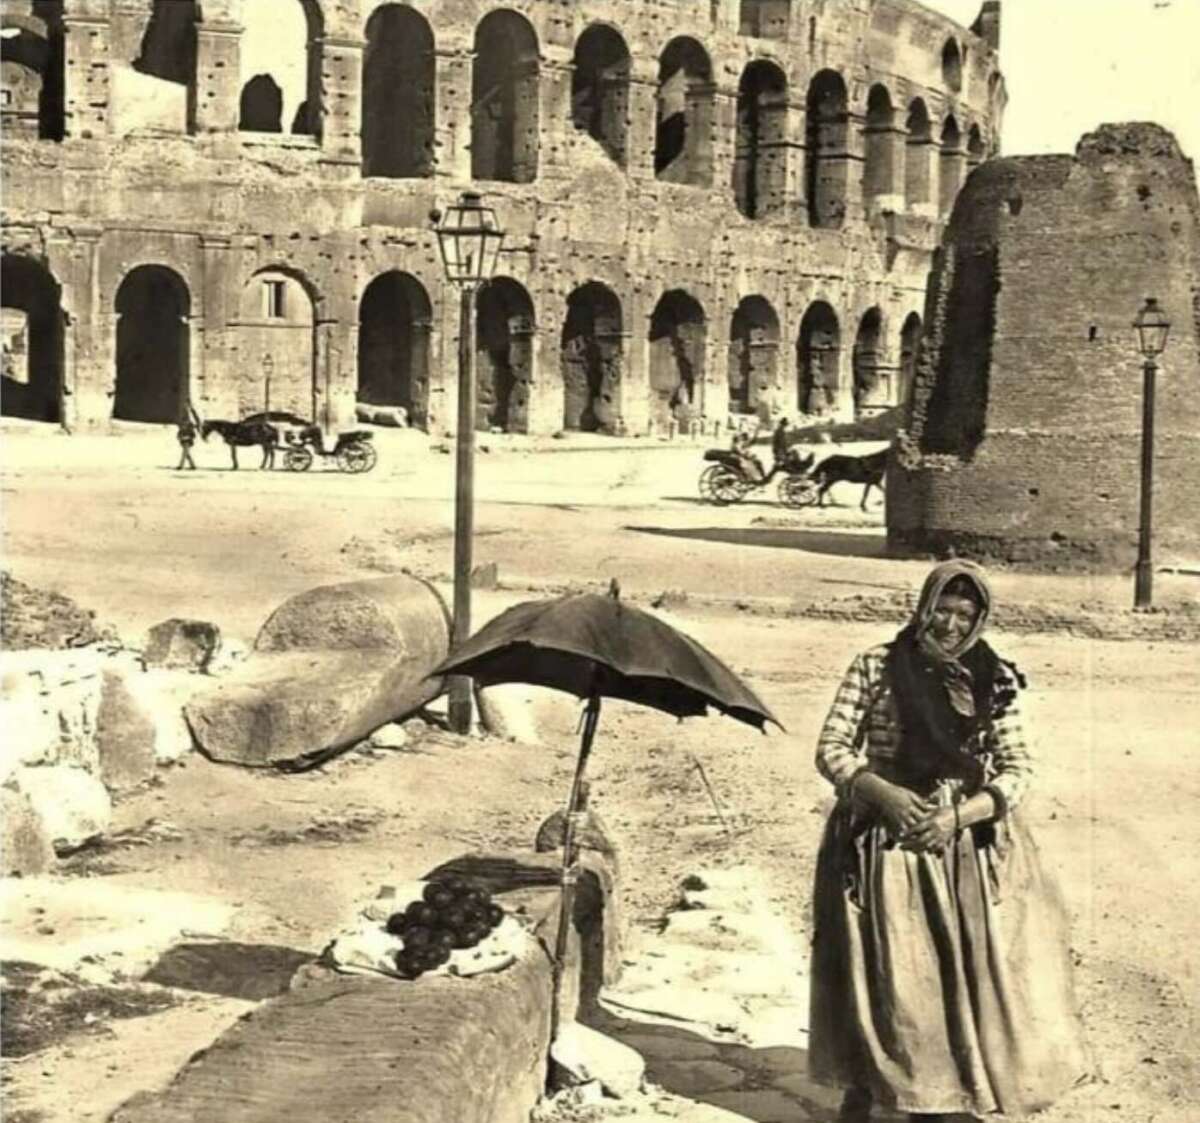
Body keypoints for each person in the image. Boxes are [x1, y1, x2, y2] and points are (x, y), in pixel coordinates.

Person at [809, 560, 1089, 1123]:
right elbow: (832, 747)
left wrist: (960, 815)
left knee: (960, 971)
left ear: (981, 618)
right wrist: (880, 793)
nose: (952, 625)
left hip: (963, 843)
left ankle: (947, 1091)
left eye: (966, 614)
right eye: (943, 608)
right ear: (924, 606)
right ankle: (880, 1085)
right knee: (890, 970)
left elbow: (1017, 768)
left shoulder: (997, 678)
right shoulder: (877, 666)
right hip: (884, 843)